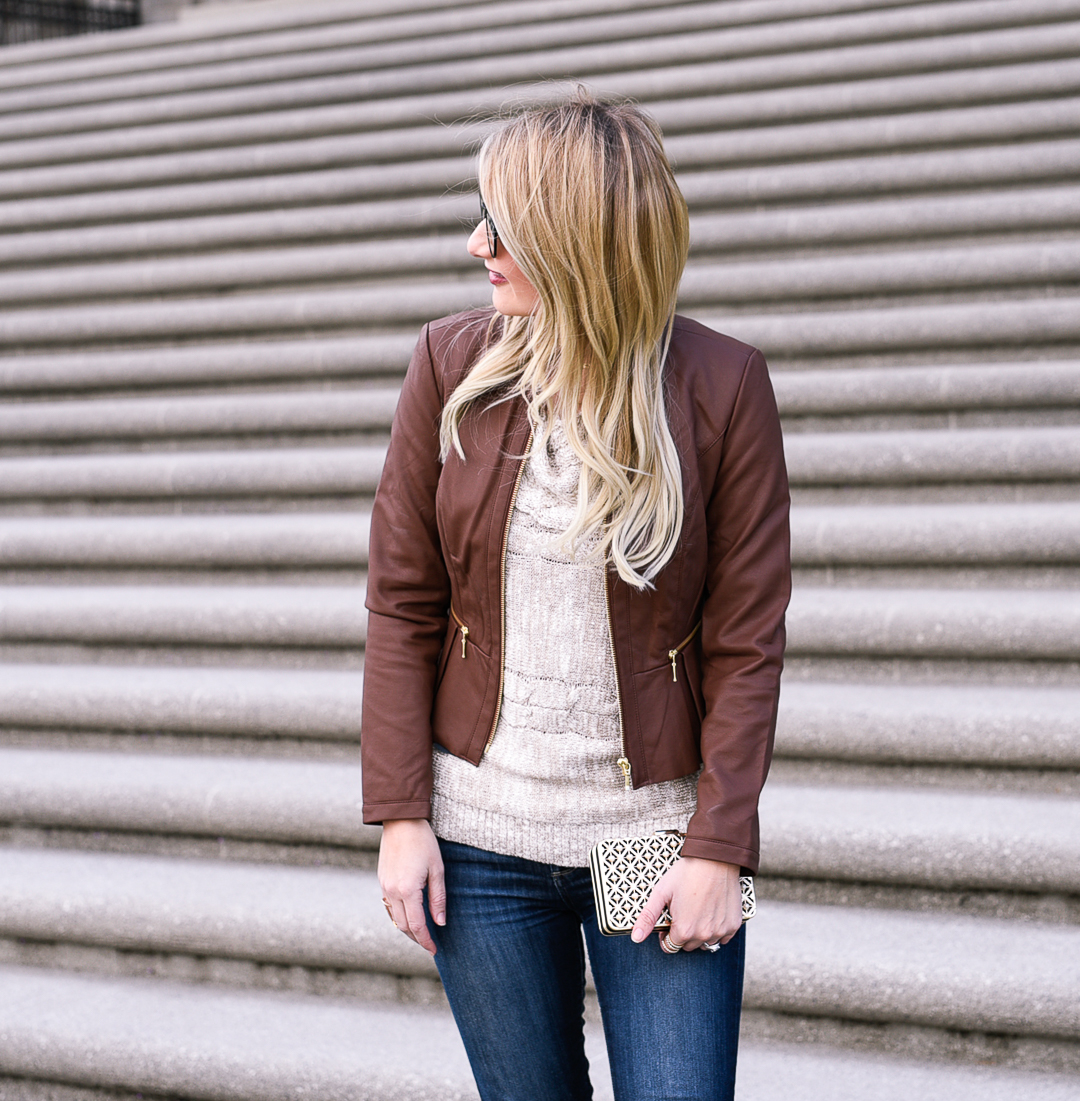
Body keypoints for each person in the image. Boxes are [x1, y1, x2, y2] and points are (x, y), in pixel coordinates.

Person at [361, 92, 790, 1101]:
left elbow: (746, 641)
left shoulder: (720, 386)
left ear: (575, 237)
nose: (476, 245)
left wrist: (719, 848)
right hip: (482, 842)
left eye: (503, 226)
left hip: (654, 838)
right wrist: (401, 819)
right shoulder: (449, 364)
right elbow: (402, 604)